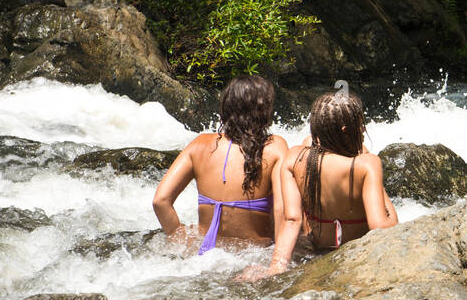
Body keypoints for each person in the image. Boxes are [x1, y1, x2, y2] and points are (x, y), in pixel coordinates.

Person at [152, 75, 301, 275]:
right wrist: (277, 266)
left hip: (204, 258)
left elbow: (160, 201)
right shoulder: (275, 147)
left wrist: (180, 239)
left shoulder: (199, 144)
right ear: (264, 111)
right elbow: (282, 210)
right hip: (255, 256)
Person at [280, 90, 397, 258]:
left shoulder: (294, 158)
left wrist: (276, 265)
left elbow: (291, 220)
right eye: (360, 124)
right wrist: (377, 183)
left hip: (316, 252)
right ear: (345, 130)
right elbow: (381, 228)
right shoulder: (366, 164)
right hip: (354, 254)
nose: (363, 130)